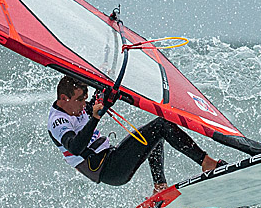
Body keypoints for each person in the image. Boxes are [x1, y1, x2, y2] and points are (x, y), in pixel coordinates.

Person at [47, 75, 222, 192]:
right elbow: (76, 147)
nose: (82, 104)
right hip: (108, 169)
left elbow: (95, 102)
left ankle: (159, 186)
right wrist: (94, 119)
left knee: (154, 136)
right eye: (79, 100)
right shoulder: (58, 121)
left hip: (112, 157)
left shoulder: (77, 107)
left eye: (84, 99)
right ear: (64, 98)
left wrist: (108, 91)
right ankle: (206, 162)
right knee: (161, 125)